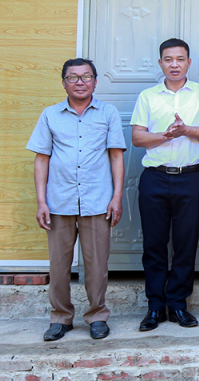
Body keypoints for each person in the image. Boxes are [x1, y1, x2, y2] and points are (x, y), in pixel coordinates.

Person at [27, 58, 125, 342]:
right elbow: (41, 159)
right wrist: (42, 202)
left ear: (95, 81)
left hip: (97, 201)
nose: (80, 82)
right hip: (59, 200)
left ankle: (97, 316)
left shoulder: (108, 113)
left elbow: (116, 156)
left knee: (97, 265)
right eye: (73, 77)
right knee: (59, 265)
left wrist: (116, 197)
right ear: (64, 83)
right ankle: (60, 317)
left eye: (86, 77)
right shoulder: (50, 115)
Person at [131, 38, 199, 331]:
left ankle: (178, 304)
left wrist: (186, 130)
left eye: (180, 59)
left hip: (190, 178)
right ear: (160, 63)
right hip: (154, 178)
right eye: (168, 59)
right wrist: (167, 135)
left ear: (189, 63)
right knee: (154, 244)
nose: (174, 65)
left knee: (185, 244)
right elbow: (137, 137)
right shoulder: (148, 96)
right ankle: (155, 307)